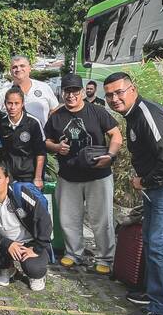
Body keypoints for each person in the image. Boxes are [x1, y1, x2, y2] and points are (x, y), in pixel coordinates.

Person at [104, 72, 163, 315]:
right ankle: (151, 292)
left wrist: (143, 181)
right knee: (150, 240)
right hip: (159, 187)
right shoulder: (133, 114)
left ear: (132, 89)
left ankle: (162, 310)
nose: (114, 98)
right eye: (109, 94)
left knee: (160, 247)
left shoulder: (147, 114)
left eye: (119, 92)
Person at [44, 74, 122, 274]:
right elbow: (46, 141)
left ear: (82, 92)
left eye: (75, 91)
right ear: (62, 92)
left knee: (102, 219)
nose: (71, 96)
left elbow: (116, 134)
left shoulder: (97, 111)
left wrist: (111, 155)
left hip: (98, 174)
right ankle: (73, 253)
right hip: (68, 176)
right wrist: (56, 147)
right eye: (67, 91)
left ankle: (105, 257)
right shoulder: (56, 116)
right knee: (69, 218)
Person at [0, 163, 52, 290]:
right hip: (6, 245)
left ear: (7, 179)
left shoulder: (21, 193)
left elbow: (43, 219)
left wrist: (37, 248)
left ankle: (37, 276)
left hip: (29, 243)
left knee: (34, 269)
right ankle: (7, 268)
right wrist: (7, 243)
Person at [0, 87, 46, 187]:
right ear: (5, 103)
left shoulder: (33, 123)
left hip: (29, 175)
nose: (13, 107)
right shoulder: (1, 123)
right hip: (9, 175)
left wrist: (38, 177)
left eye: (16, 103)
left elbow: (41, 152)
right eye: (9, 103)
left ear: (22, 104)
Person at [0, 55, 58, 127]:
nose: (18, 69)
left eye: (22, 66)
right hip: (12, 137)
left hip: (41, 136)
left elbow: (55, 110)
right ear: (10, 71)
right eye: (14, 67)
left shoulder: (44, 87)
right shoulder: (2, 93)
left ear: (29, 68)